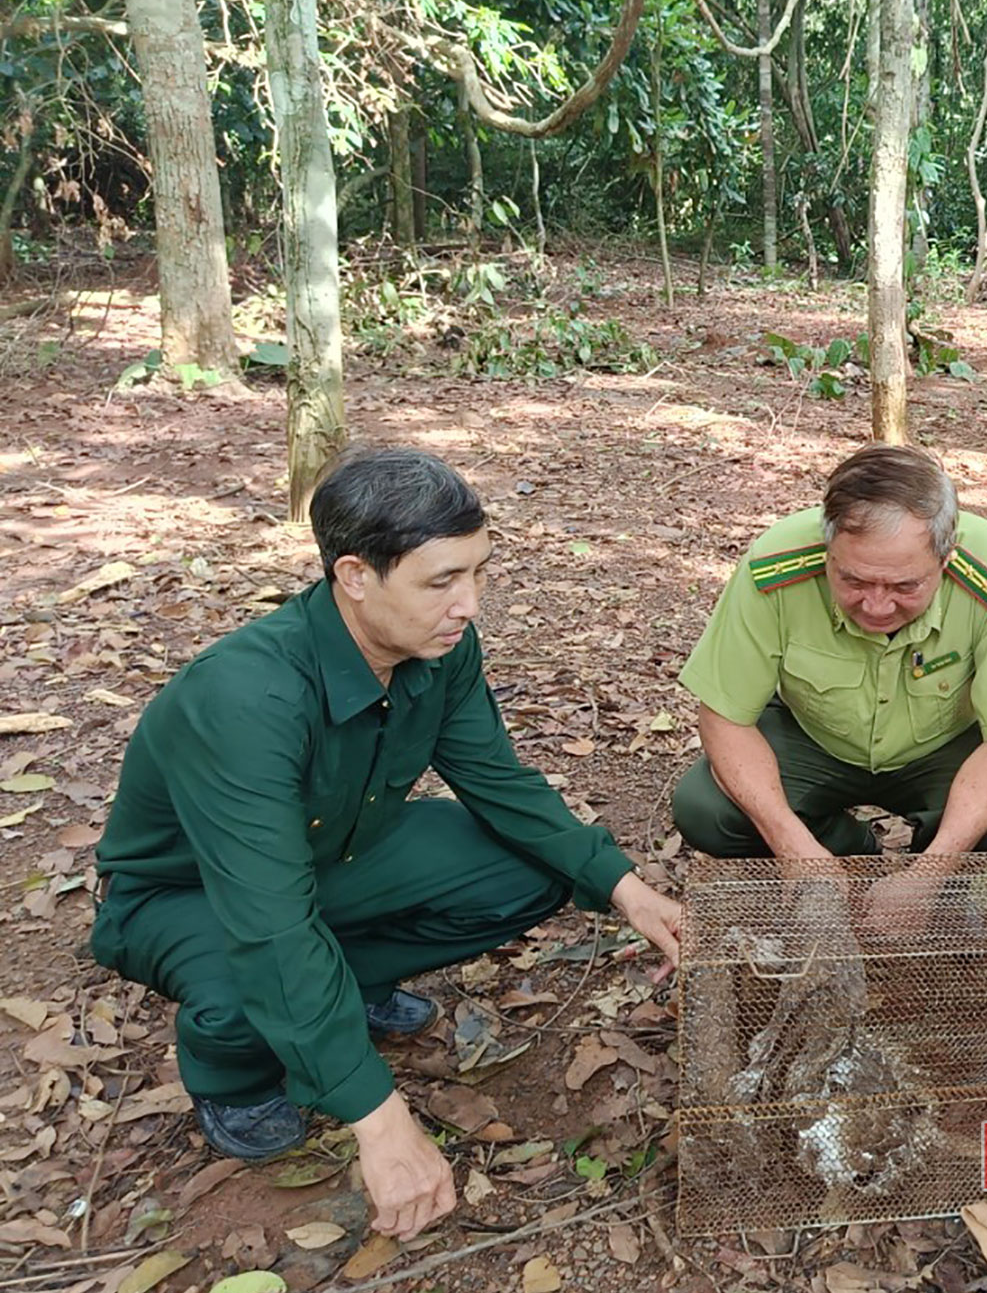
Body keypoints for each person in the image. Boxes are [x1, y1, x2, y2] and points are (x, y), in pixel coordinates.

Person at [91, 448, 683, 1240]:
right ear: (354, 575)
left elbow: (499, 782)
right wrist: (379, 1119)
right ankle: (230, 1075)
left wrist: (626, 887)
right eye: (441, 581)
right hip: (186, 895)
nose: (468, 604)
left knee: (528, 868)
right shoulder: (245, 698)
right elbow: (267, 925)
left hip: (335, 859)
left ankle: (341, 992)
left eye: (478, 573)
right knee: (254, 979)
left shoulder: (439, 650)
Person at [673, 445, 987, 907]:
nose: (877, 607)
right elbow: (724, 717)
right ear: (828, 552)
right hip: (816, 737)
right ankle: (848, 853)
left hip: (938, 744)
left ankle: (936, 889)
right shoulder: (774, 564)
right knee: (707, 809)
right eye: (854, 581)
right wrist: (794, 847)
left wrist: (925, 878)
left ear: (945, 563)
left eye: (906, 586)